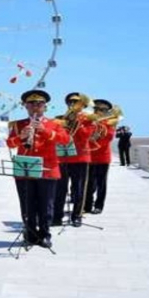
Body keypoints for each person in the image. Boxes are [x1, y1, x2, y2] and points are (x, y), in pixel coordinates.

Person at [6, 90, 69, 248]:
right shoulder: (17, 124)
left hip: (47, 169)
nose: (35, 107)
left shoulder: (55, 124)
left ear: (45, 106)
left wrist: (44, 130)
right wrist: (21, 137)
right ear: (26, 106)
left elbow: (65, 140)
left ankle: (45, 234)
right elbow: (10, 144)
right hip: (25, 169)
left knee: (46, 204)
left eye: (39, 104)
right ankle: (30, 233)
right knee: (27, 204)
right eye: (32, 104)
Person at [53, 93, 95, 228]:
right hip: (62, 157)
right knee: (60, 189)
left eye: (77, 102)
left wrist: (76, 122)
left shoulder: (88, 119)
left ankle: (77, 216)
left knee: (79, 189)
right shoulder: (60, 119)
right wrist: (65, 124)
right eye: (71, 102)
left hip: (80, 157)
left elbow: (85, 136)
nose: (73, 104)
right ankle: (56, 216)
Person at [85, 99, 117, 214]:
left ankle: (99, 205)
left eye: (102, 110)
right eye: (96, 109)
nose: (98, 111)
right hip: (89, 156)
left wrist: (94, 139)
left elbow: (108, 137)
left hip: (102, 157)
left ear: (107, 112)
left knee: (101, 183)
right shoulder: (89, 121)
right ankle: (87, 205)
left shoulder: (110, 123)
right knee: (88, 183)